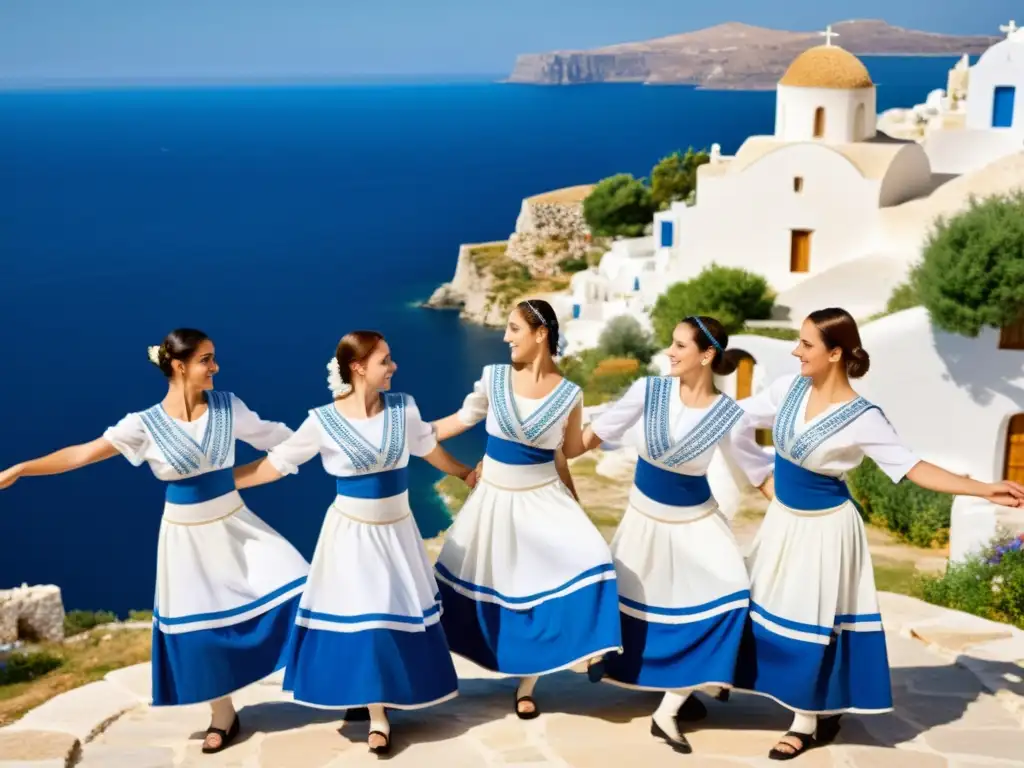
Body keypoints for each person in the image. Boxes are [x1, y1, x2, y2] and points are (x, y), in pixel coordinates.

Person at [733, 307, 1024, 761]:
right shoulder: (787, 389)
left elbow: (911, 467)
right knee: (765, 606)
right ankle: (789, 695)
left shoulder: (862, 417)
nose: (796, 351)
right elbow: (731, 417)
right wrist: (757, 475)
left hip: (827, 530)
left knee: (813, 621)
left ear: (834, 354)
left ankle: (806, 721)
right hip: (784, 522)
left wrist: (983, 487)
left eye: (806, 344)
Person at [0, 329, 310, 754]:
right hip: (185, 539)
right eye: (206, 359)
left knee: (305, 588)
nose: (215, 367)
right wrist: (20, 468)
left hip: (238, 525)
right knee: (201, 627)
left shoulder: (228, 407)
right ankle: (223, 715)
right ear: (180, 366)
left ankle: (333, 685)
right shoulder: (142, 425)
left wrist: (335, 440)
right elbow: (80, 454)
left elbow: (279, 437)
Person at [232, 331, 477, 756]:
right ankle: (378, 717)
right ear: (359, 367)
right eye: (385, 360)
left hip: (398, 531)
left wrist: (463, 474)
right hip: (352, 536)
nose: (394, 366)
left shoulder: (404, 408)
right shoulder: (322, 421)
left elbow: (427, 447)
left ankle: (375, 698)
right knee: (368, 618)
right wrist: (223, 483)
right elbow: (277, 464)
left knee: (391, 615)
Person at [563, 315, 775, 754]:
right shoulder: (648, 391)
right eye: (671, 343)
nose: (671, 353)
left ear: (707, 355)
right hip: (644, 523)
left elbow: (759, 475)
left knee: (731, 599)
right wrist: (535, 446)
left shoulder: (730, 416)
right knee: (646, 613)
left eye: (681, 346)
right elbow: (588, 439)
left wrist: (806, 512)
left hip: (699, 524)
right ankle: (680, 687)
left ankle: (668, 710)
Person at [430, 299, 622, 719]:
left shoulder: (571, 394)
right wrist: (403, 434)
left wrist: (610, 427)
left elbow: (566, 451)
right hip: (495, 500)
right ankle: (418, 672)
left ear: (540, 334)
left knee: (594, 559)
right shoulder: (493, 379)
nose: (504, 337)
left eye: (514, 328)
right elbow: (459, 420)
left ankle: (535, 679)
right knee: (466, 588)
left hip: (544, 499)